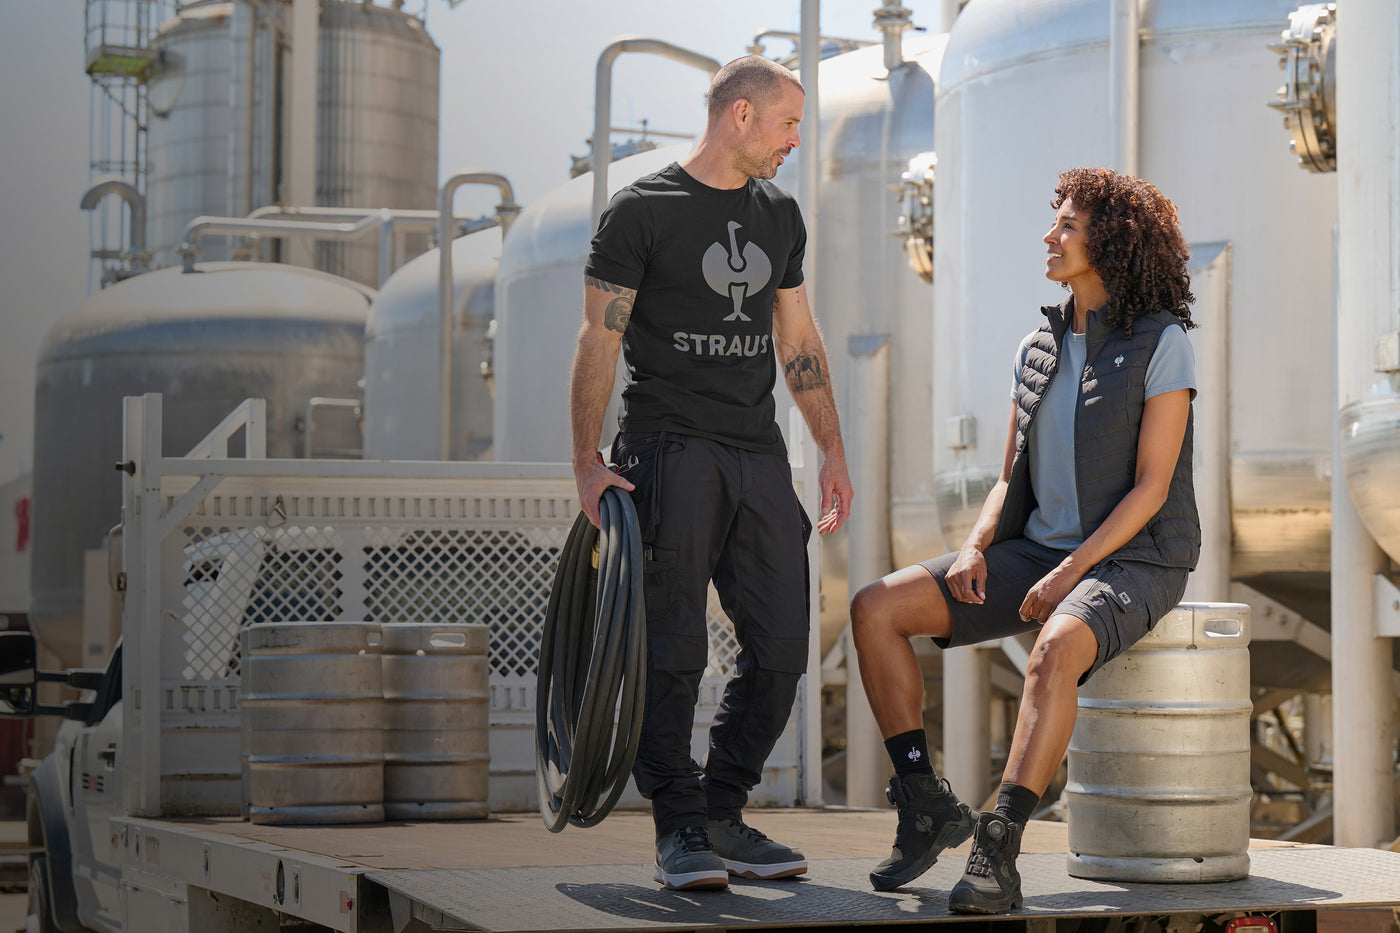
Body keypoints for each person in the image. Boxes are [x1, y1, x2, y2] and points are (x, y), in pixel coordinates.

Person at [849, 167, 1199, 912]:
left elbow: (1152, 487)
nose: (1051, 235)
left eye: (1067, 226)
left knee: (1055, 648)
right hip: (1036, 554)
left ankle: (997, 848)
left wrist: (1072, 570)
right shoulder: (1037, 345)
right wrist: (976, 543)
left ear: (1109, 241)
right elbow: (1009, 473)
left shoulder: (1162, 343)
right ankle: (924, 802)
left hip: (1136, 555)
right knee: (874, 607)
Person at [569, 54, 854, 892]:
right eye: (788, 124)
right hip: (669, 447)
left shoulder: (778, 215)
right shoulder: (642, 211)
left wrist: (831, 448)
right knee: (675, 648)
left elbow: (797, 340)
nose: (794, 142)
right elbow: (599, 339)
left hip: (758, 452)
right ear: (740, 115)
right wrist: (586, 463)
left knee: (782, 646)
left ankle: (724, 806)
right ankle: (679, 825)